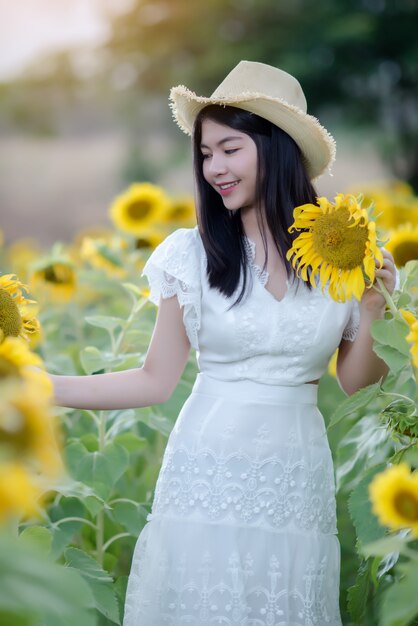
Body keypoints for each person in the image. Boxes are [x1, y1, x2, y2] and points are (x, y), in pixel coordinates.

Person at [50, 61, 396, 625]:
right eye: (206, 154)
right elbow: (153, 380)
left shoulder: (343, 256)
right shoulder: (192, 254)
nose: (214, 168)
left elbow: (356, 382)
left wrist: (374, 307)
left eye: (229, 149)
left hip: (294, 472)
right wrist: (36, 387)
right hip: (204, 470)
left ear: (277, 147)